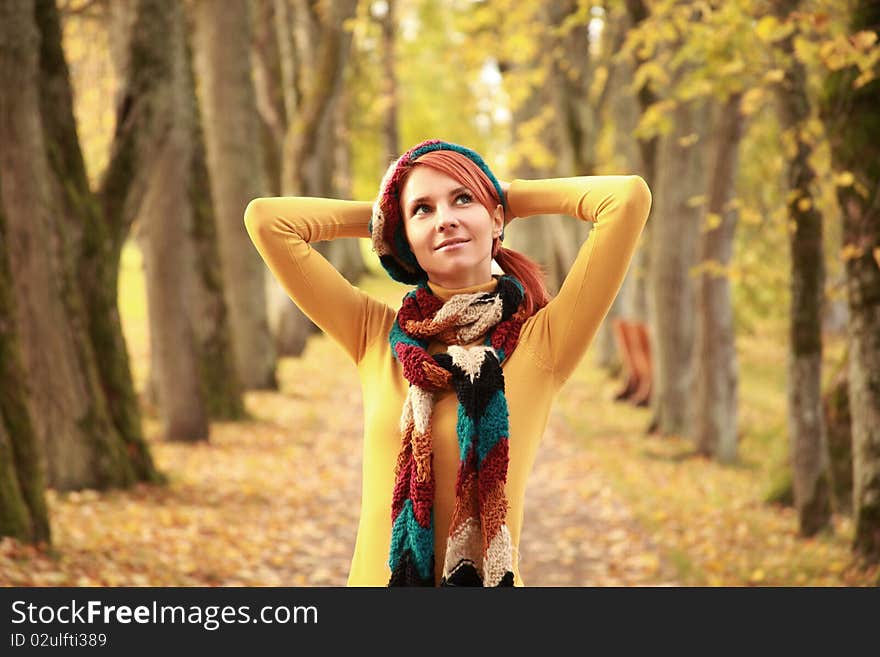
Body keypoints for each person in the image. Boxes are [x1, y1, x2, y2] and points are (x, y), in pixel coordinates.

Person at [244, 139, 652, 587]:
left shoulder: (542, 343)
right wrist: (386, 214)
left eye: (463, 198)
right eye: (422, 210)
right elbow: (267, 220)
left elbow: (625, 199)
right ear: (403, 239)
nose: (446, 219)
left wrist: (507, 197)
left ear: (496, 218)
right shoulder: (376, 338)